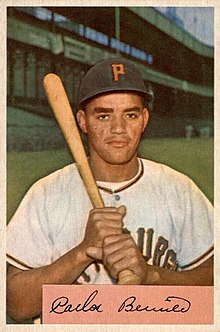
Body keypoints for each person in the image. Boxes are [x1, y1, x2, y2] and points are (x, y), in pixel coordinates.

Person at [6, 58, 214, 322]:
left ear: (144, 119)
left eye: (130, 114)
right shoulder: (46, 194)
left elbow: (212, 283)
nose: (119, 129)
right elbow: (16, 304)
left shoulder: (180, 190)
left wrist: (152, 276)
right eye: (104, 115)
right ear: (82, 121)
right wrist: (82, 252)